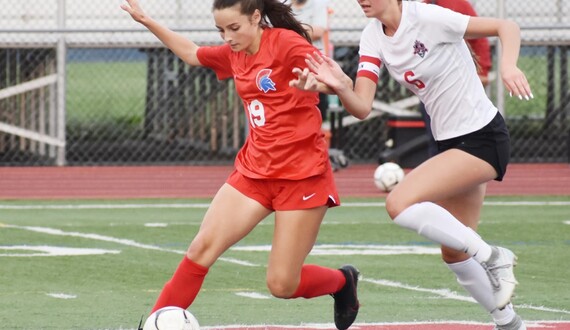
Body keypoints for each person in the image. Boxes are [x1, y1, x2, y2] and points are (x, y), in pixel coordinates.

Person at [290, 1, 533, 329]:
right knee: (455, 253)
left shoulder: (428, 17)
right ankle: (509, 323)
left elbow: (508, 27)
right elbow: (361, 106)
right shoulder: (373, 35)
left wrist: (509, 67)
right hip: (449, 141)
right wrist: (339, 85)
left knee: (399, 202)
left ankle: (493, 257)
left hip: (482, 138)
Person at [120, 1, 360, 330]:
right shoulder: (234, 53)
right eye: (221, 30)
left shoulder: (287, 44)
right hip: (254, 172)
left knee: (281, 285)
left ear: (256, 18)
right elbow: (191, 52)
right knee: (201, 248)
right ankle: (153, 324)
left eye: (234, 28)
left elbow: (335, 79)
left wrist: (319, 85)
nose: (228, 37)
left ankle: (342, 282)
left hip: (301, 177)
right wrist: (147, 20)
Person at [420, 0, 493, 157]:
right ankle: (440, 176)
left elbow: (480, 39)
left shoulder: (458, 5)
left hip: (460, 85)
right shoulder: (417, 9)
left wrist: (483, 71)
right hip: (433, 90)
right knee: (436, 139)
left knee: (469, 137)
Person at [287, 0, 331, 121]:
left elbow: (317, 31)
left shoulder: (318, 4)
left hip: (314, 66)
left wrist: (288, 30)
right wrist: (302, 29)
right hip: (290, 67)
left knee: (317, 111)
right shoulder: (283, 5)